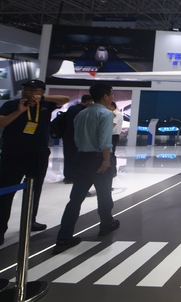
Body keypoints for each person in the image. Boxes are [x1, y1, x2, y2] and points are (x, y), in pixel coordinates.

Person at [0, 80, 70, 245]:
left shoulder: (46, 104)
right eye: (26, 89)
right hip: (13, 154)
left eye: (33, 90)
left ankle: (30, 221)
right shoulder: (11, 105)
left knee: (34, 190)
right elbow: (1, 123)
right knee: (5, 192)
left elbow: (65, 98)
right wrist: (19, 111)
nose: (28, 93)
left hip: (38, 154)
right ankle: (0, 228)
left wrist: (42, 98)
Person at [54, 84, 120, 253]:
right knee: (104, 196)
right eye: (111, 94)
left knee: (75, 200)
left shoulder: (81, 113)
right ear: (105, 96)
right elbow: (105, 140)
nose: (113, 97)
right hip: (98, 159)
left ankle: (64, 237)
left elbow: (76, 138)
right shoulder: (105, 114)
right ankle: (106, 224)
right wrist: (106, 160)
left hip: (82, 159)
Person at [62, 95, 93, 183]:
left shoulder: (72, 108)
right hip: (78, 138)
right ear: (89, 101)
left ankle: (68, 176)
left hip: (67, 136)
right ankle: (74, 176)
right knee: (77, 158)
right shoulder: (83, 110)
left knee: (68, 157)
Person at [108, 101, 123, 177]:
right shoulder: (112, 113)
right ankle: (111, 170)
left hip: (113, 135)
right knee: (110, 153)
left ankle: (113, 170)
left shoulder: (117, 114)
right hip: (110, 135)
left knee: (111, 153)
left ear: (113, 106)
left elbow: (113, 124)